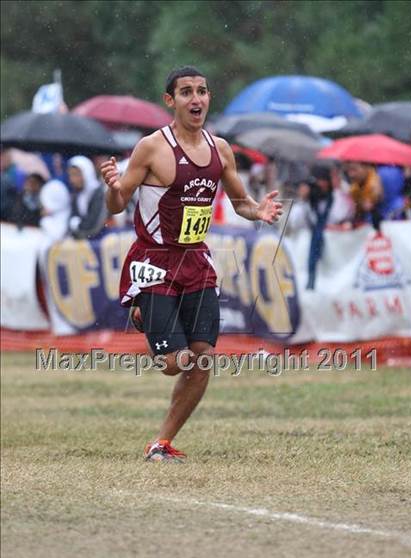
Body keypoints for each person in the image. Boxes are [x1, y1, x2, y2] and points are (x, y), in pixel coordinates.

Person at [101, 66, 282, 462]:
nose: (195, 99)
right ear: (171, 100)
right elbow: (118, 203)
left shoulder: (221, 150)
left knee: (201, 360)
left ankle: (160, 443)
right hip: (156, 260)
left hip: (197, 260)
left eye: (201, 91)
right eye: (186, 92)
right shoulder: (151, 147)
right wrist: (113, 189)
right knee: (173, 363)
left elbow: (240, 202)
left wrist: (260, 210)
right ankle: (144, 313)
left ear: (208, 98)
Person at [67, 156, 107, 239]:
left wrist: (78, 226)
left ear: (86, 173)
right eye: (70, 175)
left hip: (100, 239)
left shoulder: (98, 193)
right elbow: (72, 219)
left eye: (76, 175)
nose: (72, 180)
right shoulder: (76, 195)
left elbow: (93, 223)